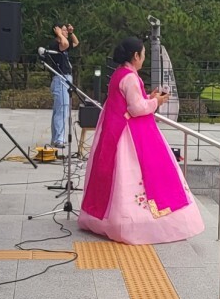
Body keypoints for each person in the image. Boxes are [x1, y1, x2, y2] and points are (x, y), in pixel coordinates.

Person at [78, 37, 204, 244]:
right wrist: (156, 101)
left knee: (114, 176)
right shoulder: (130, 77)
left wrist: (148, 97)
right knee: (145, 172)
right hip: (131, 133)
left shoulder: (119, 74)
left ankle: (105, 218)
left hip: (114, 130)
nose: (144, 58)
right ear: (135, 56)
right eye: (143, 54)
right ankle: (139, 222)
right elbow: (136, 108)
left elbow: (128, 102)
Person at [47, 23, 80, 148]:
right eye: (64, 30)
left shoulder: (64, 43)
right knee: (62, 109)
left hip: (65, 78)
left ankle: (56, 137)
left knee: (60, 109)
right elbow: (65, 44)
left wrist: (71, 33)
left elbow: (75, 42)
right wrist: (59, 33)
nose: (66, 32)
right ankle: (58, 139)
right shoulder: (56, 44)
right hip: (60, 78)